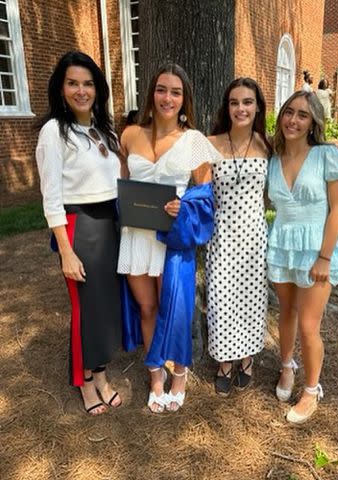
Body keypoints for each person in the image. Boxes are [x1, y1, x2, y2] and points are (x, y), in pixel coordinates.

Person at [118, 63, 217, 413]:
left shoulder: (194, 141)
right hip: (135, 236)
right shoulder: (130, 135)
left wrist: (184, 206)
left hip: (171, 238)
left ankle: (179, 375)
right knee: (146, 307)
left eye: (176, 92)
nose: (168, 98)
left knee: (173, 310)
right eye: (162, 90)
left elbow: (205, 196)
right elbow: (123, 184)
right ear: (151, 94)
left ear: (184, 98)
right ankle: (156, 375)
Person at [36, 51, 123, 416]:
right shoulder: (54, 132)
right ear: (61, 87)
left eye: (88, 83)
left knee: (105, 307)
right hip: (78, 225)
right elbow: (51, 196)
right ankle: (85, 383)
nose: (81, 90)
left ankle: (101, 375)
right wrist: (66, 251)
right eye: (73, 83)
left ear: (98, 89)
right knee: (84, 308)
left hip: (109, 225)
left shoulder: (104, 130)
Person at [267, 90, 338, 423]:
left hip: (317, 249)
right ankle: (287, 367)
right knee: (285, 313)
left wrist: (325, 258)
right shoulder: (273, 159)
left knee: (308, 324)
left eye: (303, 114)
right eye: (289, 112)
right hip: (282, 245)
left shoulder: (326, 156)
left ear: (313, 121)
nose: (293, 120)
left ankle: (311, 390)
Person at [205, 78, 273, 396]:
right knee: (221, 301)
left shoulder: (267, 145)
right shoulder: (212, 143)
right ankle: (224, 363)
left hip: (254, 241)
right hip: (221, 238)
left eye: (247, 102)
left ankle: (246, 359)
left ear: (257, 106)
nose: (241, 108)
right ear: (227, 107)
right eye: (234, 102)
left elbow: (274, 194)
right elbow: (201, 193)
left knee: (250, 302)